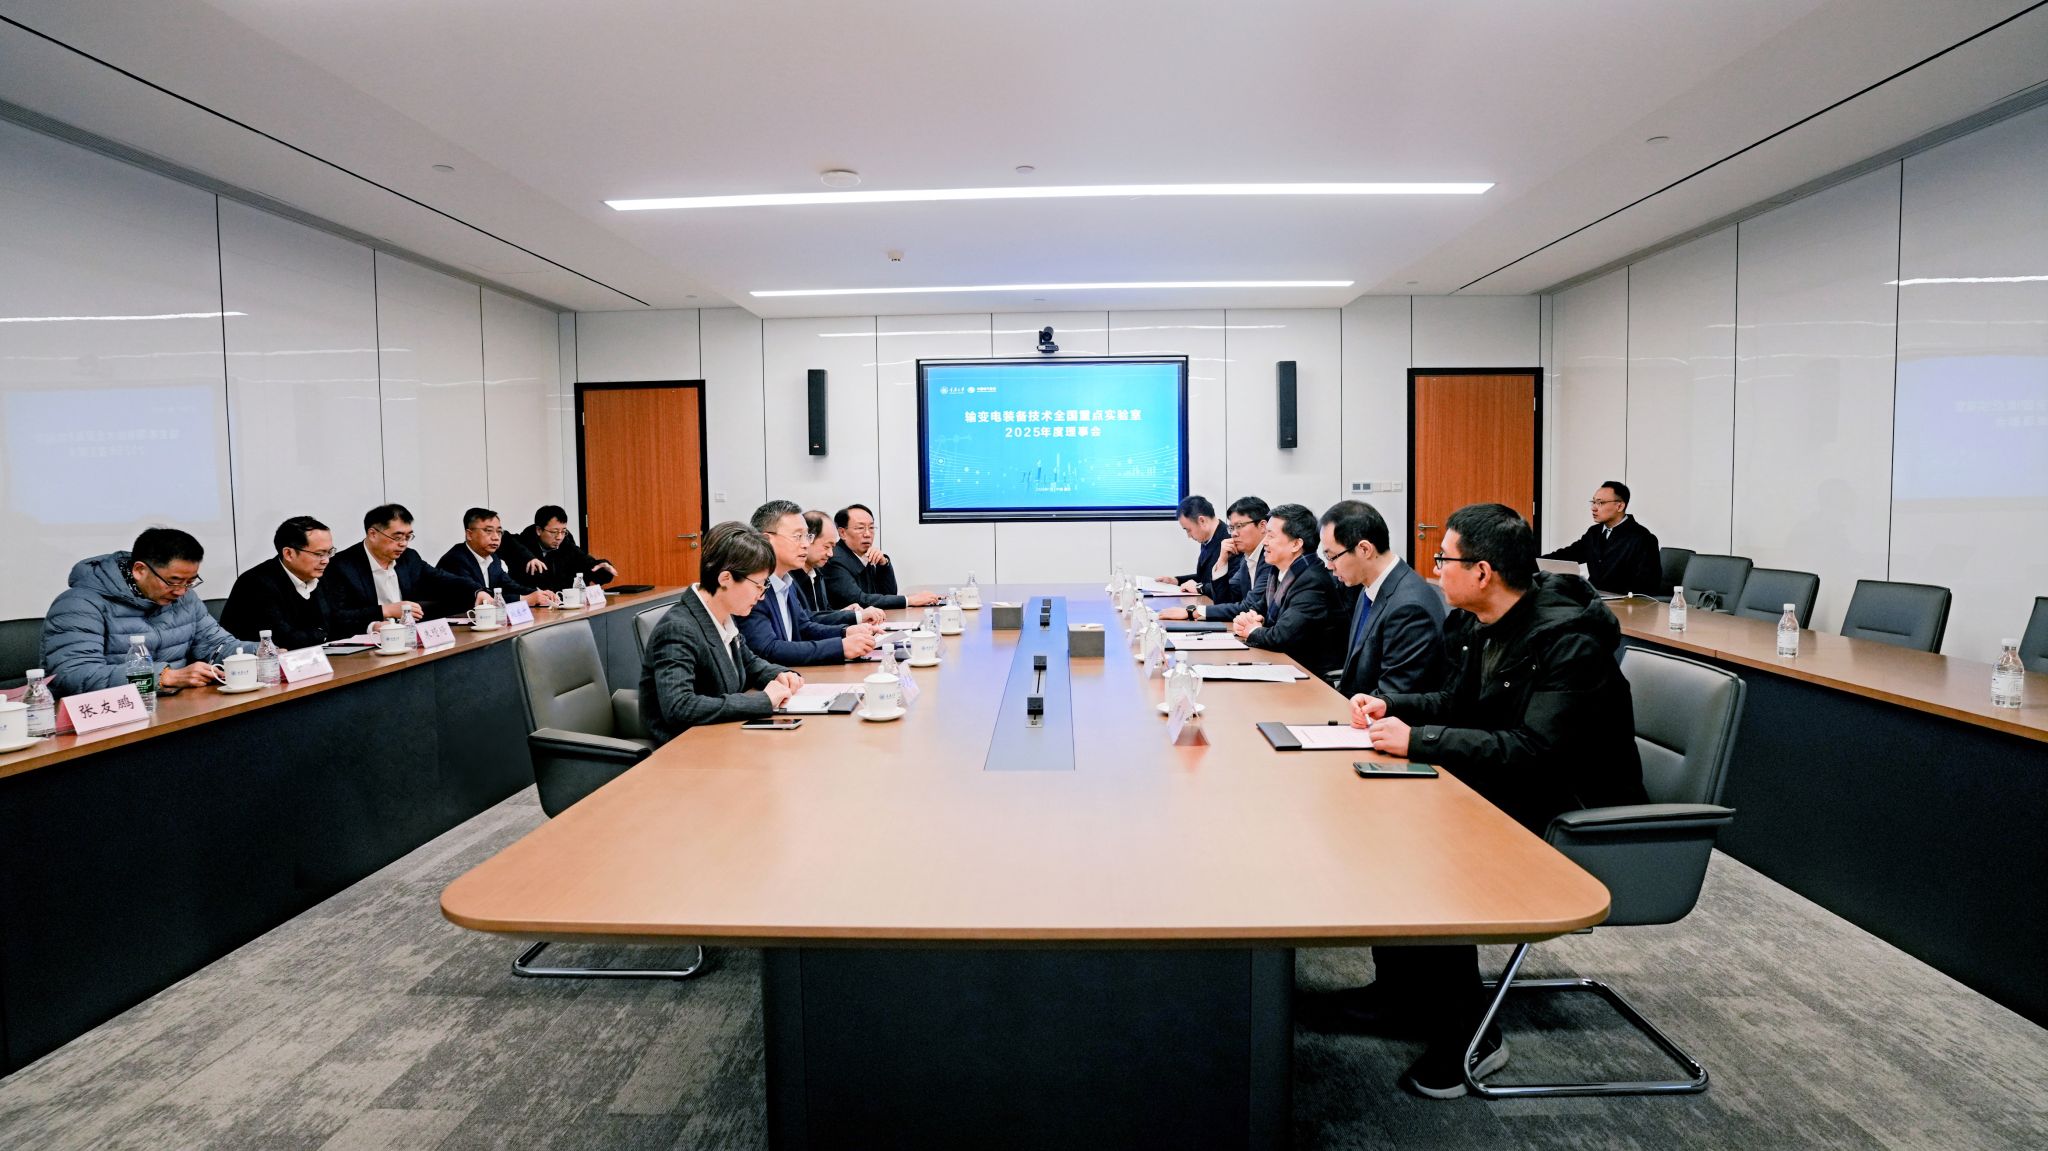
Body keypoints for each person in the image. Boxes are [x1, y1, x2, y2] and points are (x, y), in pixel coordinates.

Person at [1325, 503, 1647, 1098]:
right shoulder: (1483, 623)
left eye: (1443, 558)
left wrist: (1420, 741)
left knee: (1428, 845)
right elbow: (1457, 703)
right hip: (1514, 786)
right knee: (1383, 817)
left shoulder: (1569, 643)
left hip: (1573, 813)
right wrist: (1393, 707)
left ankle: (1473, 1031)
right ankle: (1400, 993)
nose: (1434, 570)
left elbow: (1536, 751)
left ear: (1482, 572)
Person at [639, 523, 802, 744]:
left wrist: (779, 674)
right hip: (688, 747)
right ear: (725, 578)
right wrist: (762, 701)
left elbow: (748, 662)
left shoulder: (723, 614)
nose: (762, 595)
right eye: (759, 586)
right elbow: (679, 706)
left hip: (724, 736)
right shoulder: (678, 628)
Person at [40, 527, 244, 696]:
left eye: (189, 582)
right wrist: (164, 677)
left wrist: (261, 653)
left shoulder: (185, 598)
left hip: (175, 708)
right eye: (173, 581)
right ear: (139, 570)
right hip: (107, 718)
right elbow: (75, 675)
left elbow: (217, 646)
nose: (181, 591)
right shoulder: (79, 605)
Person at [1167, 503, 1341, 674]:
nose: (1265, 542)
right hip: (1282, 663)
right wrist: (1246, 620)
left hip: (1309, 674)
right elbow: (1255, 608)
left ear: (1296, 544)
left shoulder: (1311, 580)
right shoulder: (1279, 570)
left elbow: (1280, 636)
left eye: (1271, 536)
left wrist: (1252, 629)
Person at [1318, 501, 1447, 699]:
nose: (1329, 566)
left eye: (1332, 556)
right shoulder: (1370, 587)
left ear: (1364, 549)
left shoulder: (1409, 608)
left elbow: (1392, 697)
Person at [736, 501, 881, 665]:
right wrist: (840, 647)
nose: (806, 544)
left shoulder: (786, 581)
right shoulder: (752, 587)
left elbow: (803, 626)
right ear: (767, 540)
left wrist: (846, 631)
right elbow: (768, 650)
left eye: (807, 536)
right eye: (797, 536)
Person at [325, 503, 489, 636]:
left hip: (409, 637)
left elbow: (442, 579)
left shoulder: (409, 558)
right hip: (366, 645)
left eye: (408, 536)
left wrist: (476, 591)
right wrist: (385, 611)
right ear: (373, 534)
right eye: (397, 537)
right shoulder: (342, 566)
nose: (403, 543)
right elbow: (337, 616)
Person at [219, 515, 341, 650]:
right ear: (288, 554)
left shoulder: (320, 574)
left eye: (329, 552)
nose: (326, 560)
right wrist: (325, 634)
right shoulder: (256, 584)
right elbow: (284, 639)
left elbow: (338, 619)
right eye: (319, 554)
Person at [1542, 481, 1663, 596]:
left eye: (1600, 503)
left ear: (1619, 506)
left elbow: (1647, 586)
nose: (1593, 508)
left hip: (1623, 603)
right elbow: (1568, 555)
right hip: (1594, 598)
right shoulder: (1594, 532)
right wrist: (1535, 562)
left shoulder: (1643, 538)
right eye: (1593, 502)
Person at [823, 503, 941, 610]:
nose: (867, 534)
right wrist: (909, 600)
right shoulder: (834, 559)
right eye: (860, 528)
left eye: (871, 527)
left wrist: (883, 564)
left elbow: (889, 594)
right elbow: (859, 600)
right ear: (842, 532)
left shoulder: (865, 554)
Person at [435, 508, 558, 608]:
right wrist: (524, 599)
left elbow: (510, 585)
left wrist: (538, 593)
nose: (496, 537)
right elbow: (481, 598)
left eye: (499, 532)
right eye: (488, 531)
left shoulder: (493, 558)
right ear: (469, 534)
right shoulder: (455, 560)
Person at [796, 511, 888, 627]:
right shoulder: (791, 579)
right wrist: (855, 617)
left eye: (871, 527)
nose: (830, 554)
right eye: (826, 546)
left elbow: (823, 613)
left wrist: (843, 612)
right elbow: (806, 621)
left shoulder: (816, 574)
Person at [500, 505, 617, 592]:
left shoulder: (566, 545)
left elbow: (586, 562)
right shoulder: (521, 544)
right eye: (554, 532)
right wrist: (528, 557)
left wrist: (603, 569)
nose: (559, 537)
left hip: (561, 607)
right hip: (530, 606)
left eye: (563, 531)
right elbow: (503, 538)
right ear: (539, 530)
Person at [1162, 495, 1240, 594]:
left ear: (1202, 521)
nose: (1189, 536)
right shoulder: (1206, 538)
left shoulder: (1230, 540)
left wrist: (1199, 588)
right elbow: (1204, 577)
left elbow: (1230, 586)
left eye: (1188, 530)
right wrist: (1176, 581)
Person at [1203, 496, 1270, 602]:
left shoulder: (1271, 558)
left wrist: (1198, 610)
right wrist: (1222, 561)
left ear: (1263, 526)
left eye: (1239, 526)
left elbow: (1252, 605)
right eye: (1231, 528)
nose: (1233, 533)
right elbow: (1224, 600)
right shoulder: (1246, 559)